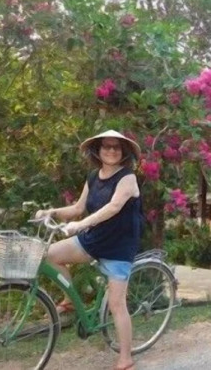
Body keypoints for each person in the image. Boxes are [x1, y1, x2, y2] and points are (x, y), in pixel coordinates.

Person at [35, 129, 143, 370]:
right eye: (106, 146)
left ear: (124, 152)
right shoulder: (94, 176)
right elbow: (77, 208)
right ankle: (71, 299)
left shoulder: (128, 178)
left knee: (117, 304)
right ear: (98, 150)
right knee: (48, 255)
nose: (111, 150)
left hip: (119, 246)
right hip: (93, 239)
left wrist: (81, 224)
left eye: (116, 147)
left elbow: (114, 207)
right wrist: (52, 212)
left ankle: (125, 358)